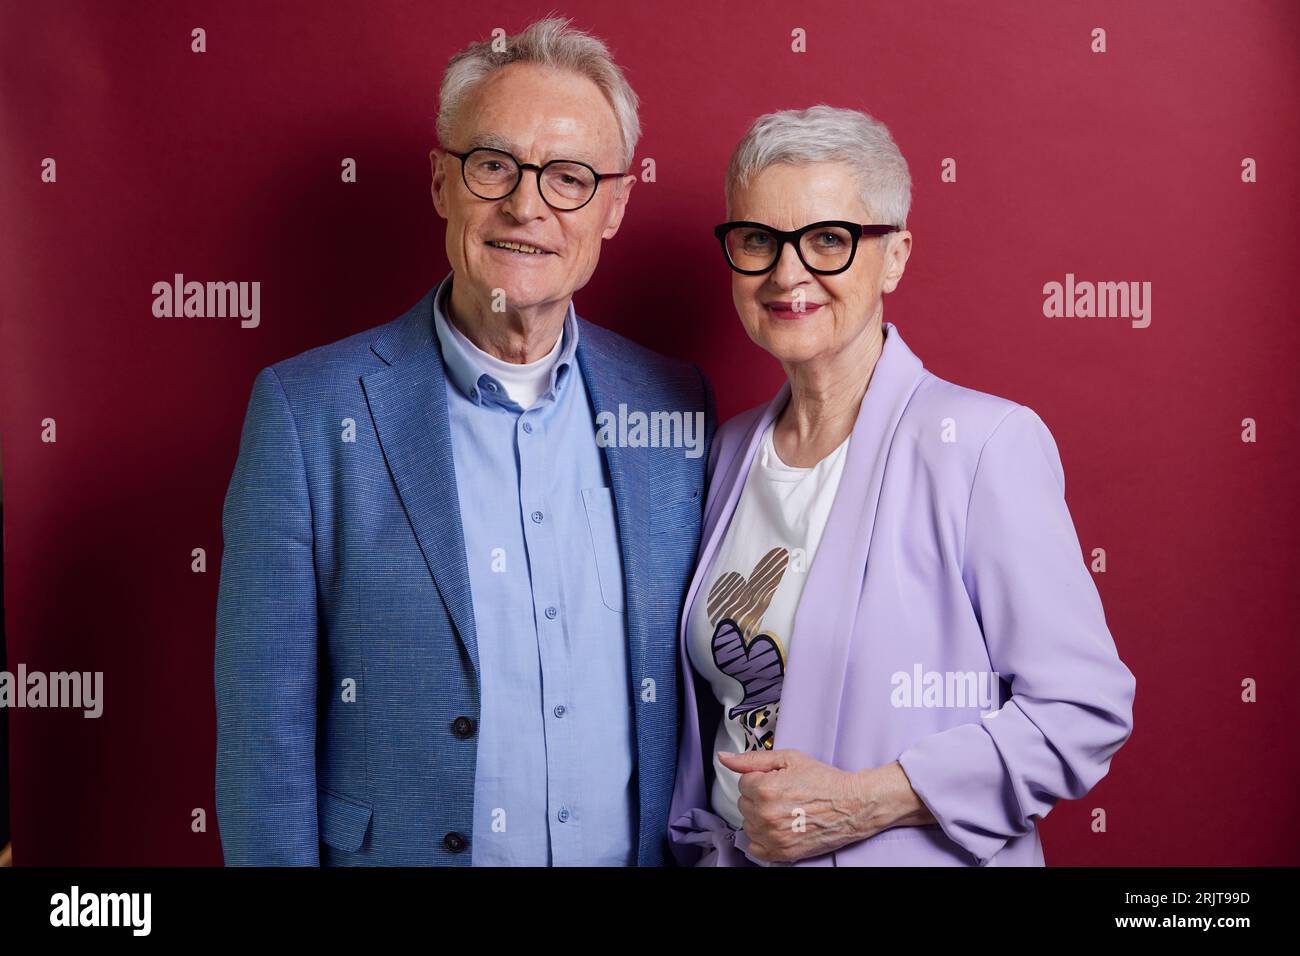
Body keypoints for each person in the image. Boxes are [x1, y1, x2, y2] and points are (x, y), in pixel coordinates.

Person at [216, 17, 713, 866]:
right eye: (494, 166)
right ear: (442, 182)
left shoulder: (672, 408)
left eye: (569, 178)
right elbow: (265, 736)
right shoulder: (306, 415)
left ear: (616, 206)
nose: (527, 206)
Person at [669, 105, 1136, 866]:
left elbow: (1082, 711)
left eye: (828, 239)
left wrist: (860, 804)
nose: (788, 274)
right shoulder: (725, 453)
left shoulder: (983, 447)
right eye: (758, 240)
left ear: (894, 257)